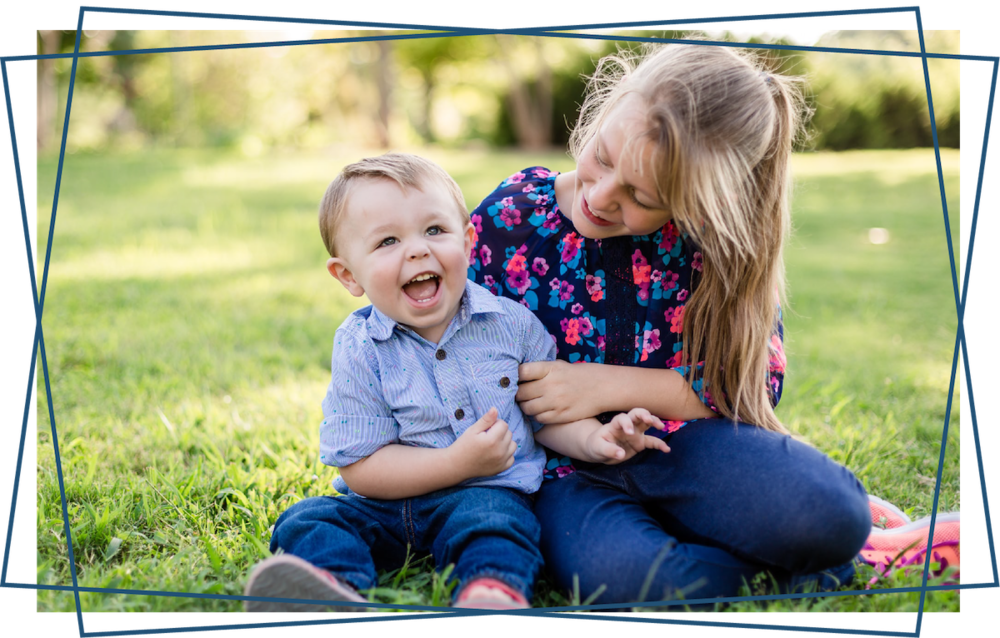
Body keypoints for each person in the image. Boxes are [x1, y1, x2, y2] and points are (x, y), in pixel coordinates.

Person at [467, 42, 961, 607]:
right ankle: (834, 569)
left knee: (829, 516)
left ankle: (854, 540)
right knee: (638, 581)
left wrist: (599, 386)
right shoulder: (512, 217)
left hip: (687, 447)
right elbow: (452, 346)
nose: (600, 197)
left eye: (640, 196)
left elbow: (749, 385)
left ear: (696, 201)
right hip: (563, 475)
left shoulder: (713, 246)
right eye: (602, 158)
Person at [243, 153, 672, 614]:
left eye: (434, 230)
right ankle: (333, 586)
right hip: (385, 506)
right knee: (307, 519)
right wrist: (456, 462)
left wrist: (595, 438)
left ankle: (491, 593)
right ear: (349, 275)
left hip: (485, 496)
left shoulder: (512, 326)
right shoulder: (359, 347)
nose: (417, 250)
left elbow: (544, 418)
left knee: (500, 527)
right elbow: (360, 466)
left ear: (468, 241)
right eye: (387, 241)